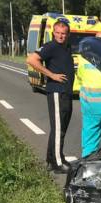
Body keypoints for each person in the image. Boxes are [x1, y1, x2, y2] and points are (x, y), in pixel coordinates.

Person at [26, 19, 74, 174]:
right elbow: (31, 59)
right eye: (58, 33)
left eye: (63, 33)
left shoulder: (66, 47)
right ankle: (58, 164)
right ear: (54, 33)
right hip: (57, 92)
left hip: (65, 93)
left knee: (60, 128)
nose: (60, 36)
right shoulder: (51, 46)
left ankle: (51, 159)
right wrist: (51, 75)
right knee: (59, 129)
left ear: (68, 34)